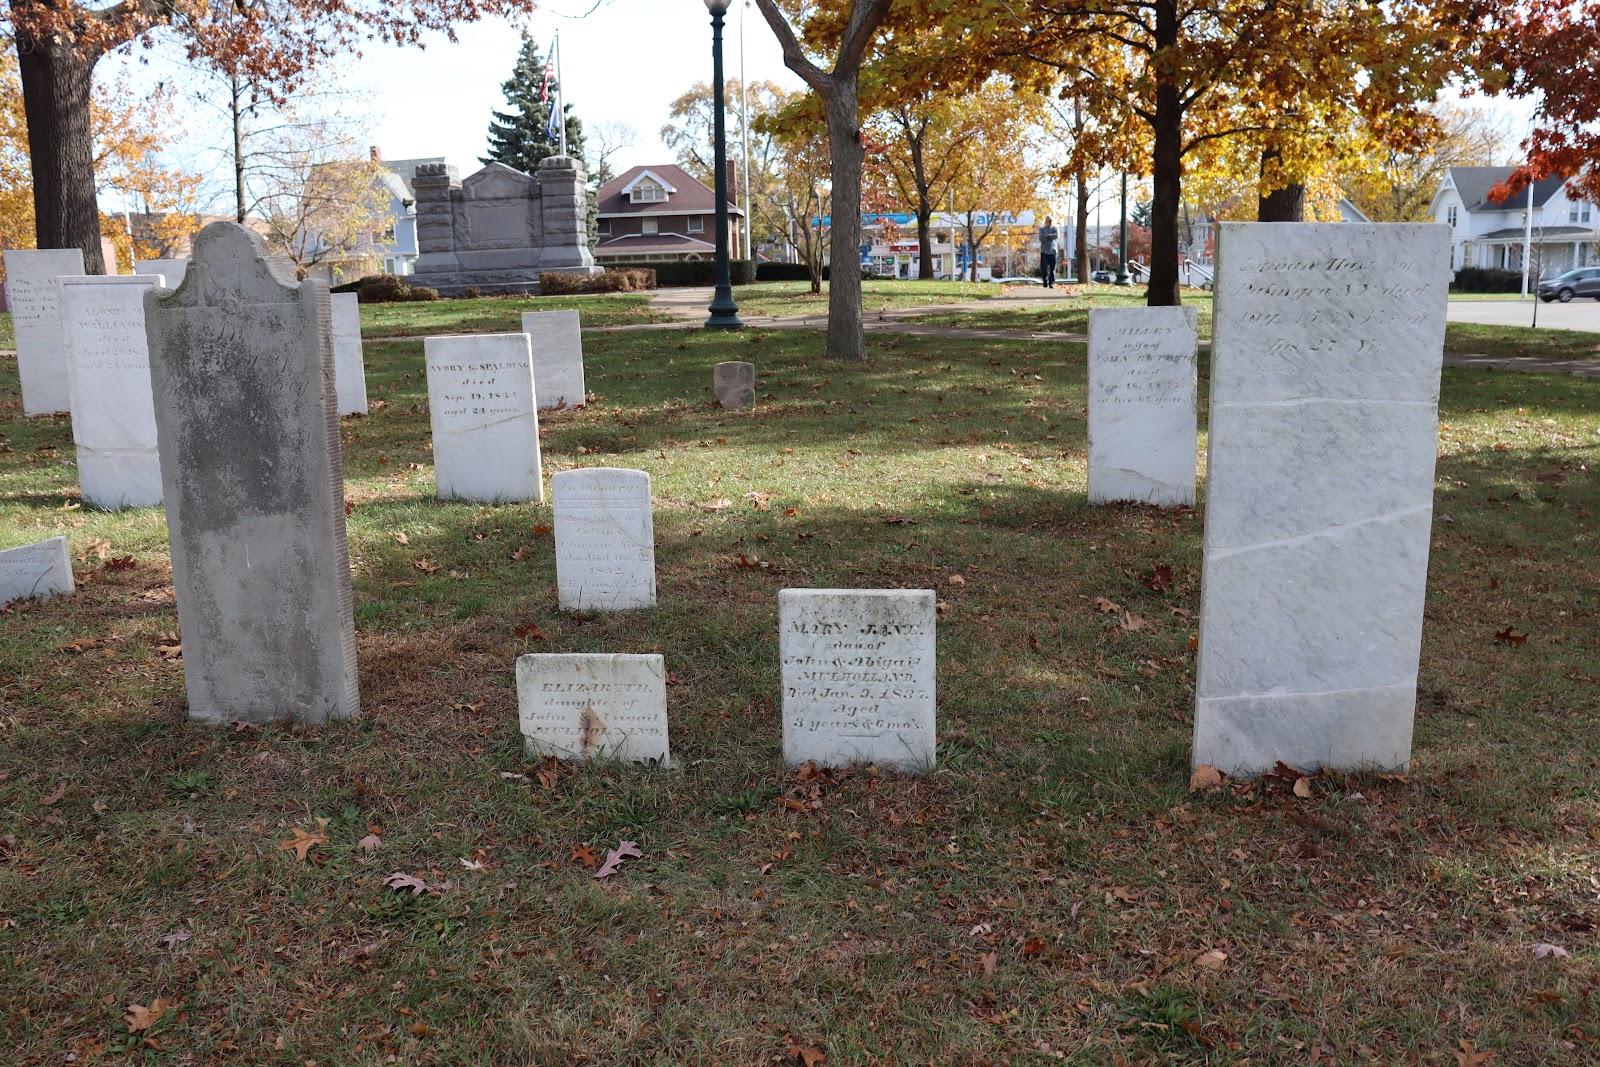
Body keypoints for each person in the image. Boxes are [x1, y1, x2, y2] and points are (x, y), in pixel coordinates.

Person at [1038, 217, 1059, 288]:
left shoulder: (1055, 229)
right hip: (1044, 252)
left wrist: (1048, 235)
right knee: (1044, 267)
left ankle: (1051, 283)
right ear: (1046, 222)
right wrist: (1051, 237)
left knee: (1053, 268)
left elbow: (1056, 236)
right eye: (1049, 221)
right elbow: (1041, 238)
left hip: (1053, 251)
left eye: (1051, 221)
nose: (1050, 222)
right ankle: (1045, 280)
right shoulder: (1042, 229)